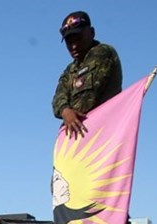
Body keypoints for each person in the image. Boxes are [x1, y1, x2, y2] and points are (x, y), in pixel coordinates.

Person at [51, 10, 122, 139]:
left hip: (103, 133)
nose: (74, 46)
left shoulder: (102, 53)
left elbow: (84, 104)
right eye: (69, 42)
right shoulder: (71, 69)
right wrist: (65, 111)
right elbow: (57, 100)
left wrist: (70, 114)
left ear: (92, 32)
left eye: (78, 39)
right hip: (84, 137)